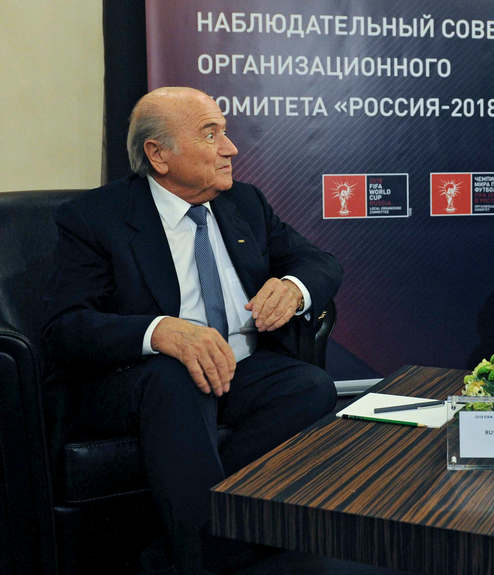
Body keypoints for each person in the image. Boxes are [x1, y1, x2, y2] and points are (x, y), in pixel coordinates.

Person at [43, 87, 343, 574]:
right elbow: (66, 327)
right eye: (211, 135)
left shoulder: (244, 202)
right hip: (140, 379)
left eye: (225, 132)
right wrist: (161, 331)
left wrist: (293, 286)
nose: (231, 148)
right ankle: (208, 556)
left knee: (309, 386)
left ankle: (184, 549)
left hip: (239, 367)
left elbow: (319, 262)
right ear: (158, 155)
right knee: (177, 376)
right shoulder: (96, 219)